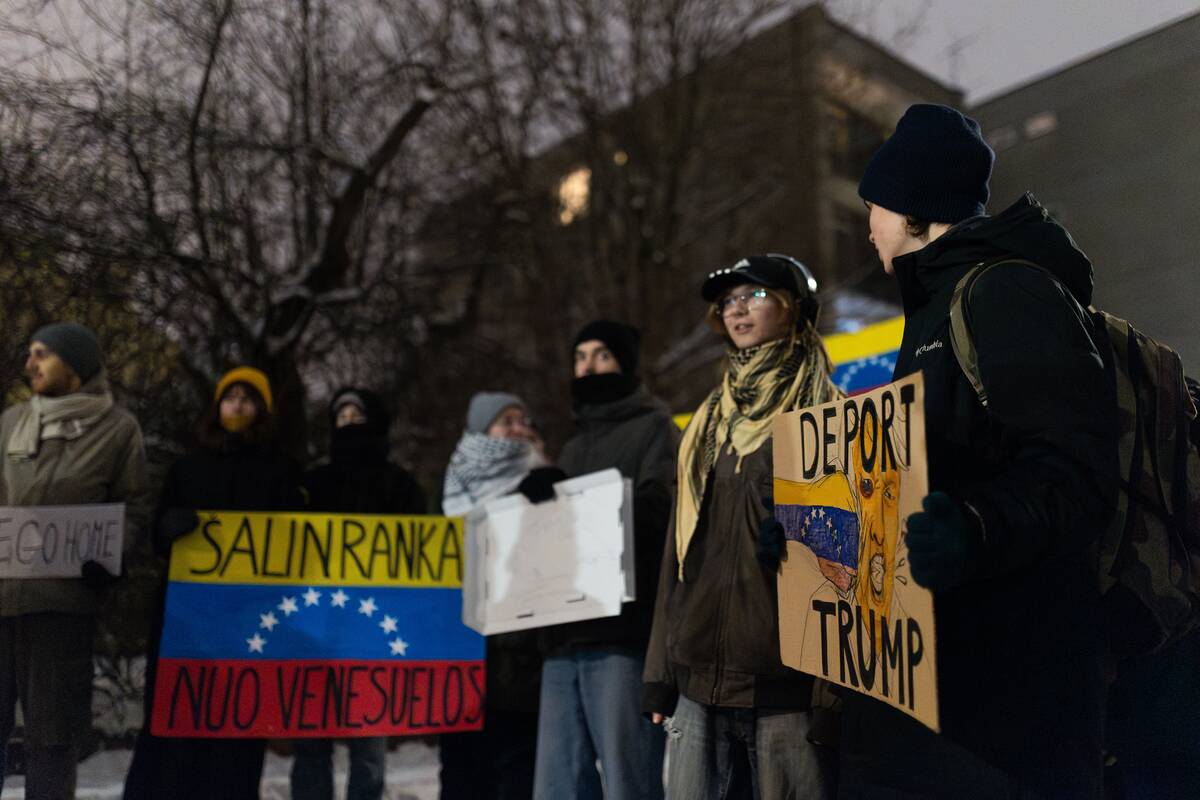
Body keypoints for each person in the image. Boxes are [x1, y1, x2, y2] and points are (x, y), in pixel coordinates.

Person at [840, 104, 1119, 798]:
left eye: (874, 206)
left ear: (914, 212)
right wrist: (810, 529)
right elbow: (915, 492)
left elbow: (1074, 473)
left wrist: (974, 528)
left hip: (1015, 710)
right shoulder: (931, 314)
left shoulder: (1005, 291)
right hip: (936, 697)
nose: (866, 223)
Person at [643, 257, 840, 799]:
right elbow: (676, 557)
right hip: (696, 683)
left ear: (794, 307)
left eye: (753, 296)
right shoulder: (707, 422)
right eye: (728, 301)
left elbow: (851, 565)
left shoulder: (826, 416)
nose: (736, 309)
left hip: (784, 690)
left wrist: (831, 701)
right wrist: (659, 674)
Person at [124, 366, 304, 800]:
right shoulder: (188, 468)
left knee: (237, 731)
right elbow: (157, 537)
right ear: (217, 407)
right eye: (230, 397)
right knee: (177, 723)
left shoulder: (280, 471)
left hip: (250, 626)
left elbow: (297, 547)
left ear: (261, 411)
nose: (237, 405)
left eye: (247, 398)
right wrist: (168, 527)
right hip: (189, 624)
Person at [0, 322, 151, 800]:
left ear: (76, 364)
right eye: (30, 354)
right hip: (1, 597)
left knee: (51, 734)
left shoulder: (117, 429)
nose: (30, 365)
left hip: (63, 604)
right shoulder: (10, 422)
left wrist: (110, 556)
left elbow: (136, 505)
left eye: (42, 355)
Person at [530, 320, 678, 800]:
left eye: (602, 355)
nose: (589, 366)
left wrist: (575, 499)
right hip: (564, 633)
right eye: (580, 357)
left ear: (625, 364)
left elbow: (662, 510)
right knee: (559, 780)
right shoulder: (573, 444)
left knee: (626, 777)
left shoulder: (655, 427)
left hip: (621, 632)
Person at [291, 387, 426, 800]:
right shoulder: (312, 484)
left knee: (368, 745)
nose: (349, 423)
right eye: (341, 416)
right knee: (311, 742)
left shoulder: (400, 486)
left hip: (372, 631)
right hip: (317, 629)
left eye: (357, 415)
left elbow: (419, 551)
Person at [439, 391, 546, 800]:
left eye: (523, 419)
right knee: (464, 779)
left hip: (521, 666)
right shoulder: (450, 488)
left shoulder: (545, 481)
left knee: (517, 778)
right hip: (462, 663)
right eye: (506, 421)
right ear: (482, 430)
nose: (517, 428)